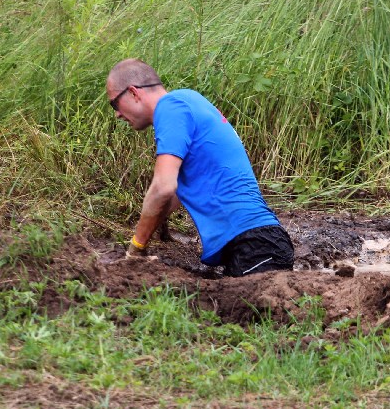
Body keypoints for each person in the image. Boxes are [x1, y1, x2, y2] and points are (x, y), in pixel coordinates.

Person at [106, 58, 294, 277]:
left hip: (255, 244)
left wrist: (136, 249)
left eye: (114, 104)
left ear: (133, 93)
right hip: (258, 243)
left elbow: (162, 188)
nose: (117, 114)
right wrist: (157, 232)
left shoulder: (170, 108)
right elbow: (172, 194)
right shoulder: (189, 99)